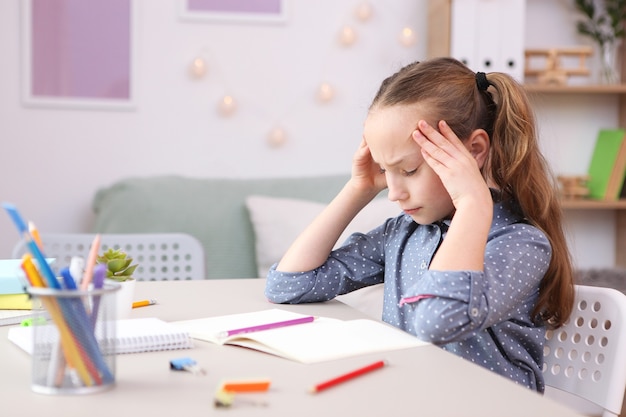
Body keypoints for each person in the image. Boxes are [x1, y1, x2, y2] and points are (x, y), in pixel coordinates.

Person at [264, 57, 575, 392]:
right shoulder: (403, 233)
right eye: (385, 170)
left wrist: (472, 204)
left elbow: (436, 321)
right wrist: (358, 189)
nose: (394, 193)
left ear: (474, 151)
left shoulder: (520, 243)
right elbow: (288, 285)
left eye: (409, 170)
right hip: (414, 400)